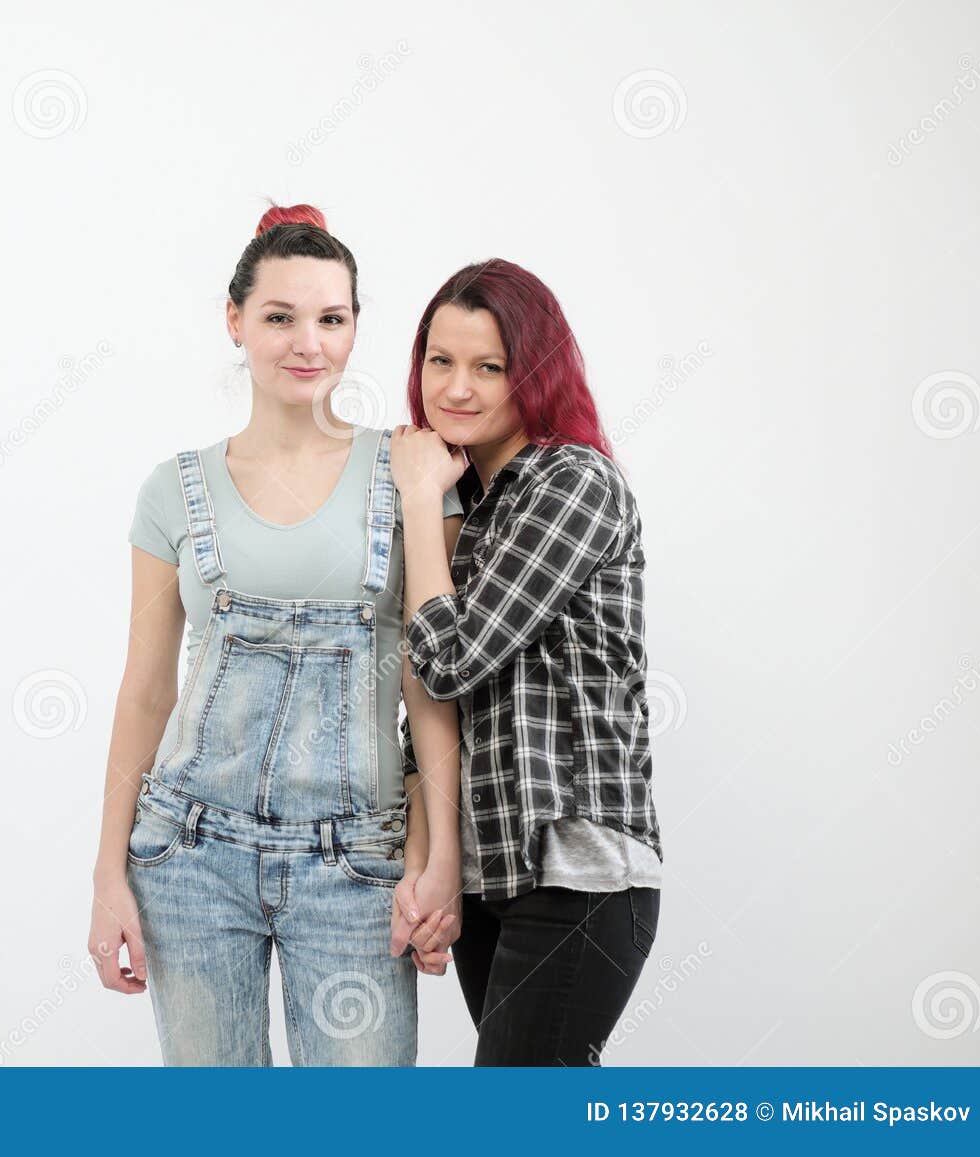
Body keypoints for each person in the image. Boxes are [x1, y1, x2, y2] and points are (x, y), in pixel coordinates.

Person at [88, 204, 464, 1065]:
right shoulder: (172, 491)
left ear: (356, 327)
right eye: (280, 317)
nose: (308, 343)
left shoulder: (409, 471)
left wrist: (440, 853)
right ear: (235, 322)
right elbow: (146, 689)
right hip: (189, 857)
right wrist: (108, 872)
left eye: (332, 319)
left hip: (356, 867)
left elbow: (430, 681)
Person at [390, 258, 665, 1066]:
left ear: (532, 375)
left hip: (578, 874)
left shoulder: (572, 482)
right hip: (491, 875)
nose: (458, 387)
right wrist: (430, 870)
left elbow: (449, 660)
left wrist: (413, 498)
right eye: (440, 361)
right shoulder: (467, 504)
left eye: (489, 367)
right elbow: (424, 717)